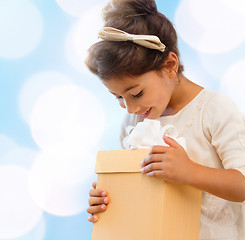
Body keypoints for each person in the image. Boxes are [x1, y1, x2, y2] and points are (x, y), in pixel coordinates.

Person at [85, 0, 245, 239]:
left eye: (136, 93)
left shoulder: (214, 110)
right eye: (118, 97)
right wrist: (108, 199)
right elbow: (137, 190)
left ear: (170, 65)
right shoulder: (133, 123)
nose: (130, 108)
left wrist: (190, 171)